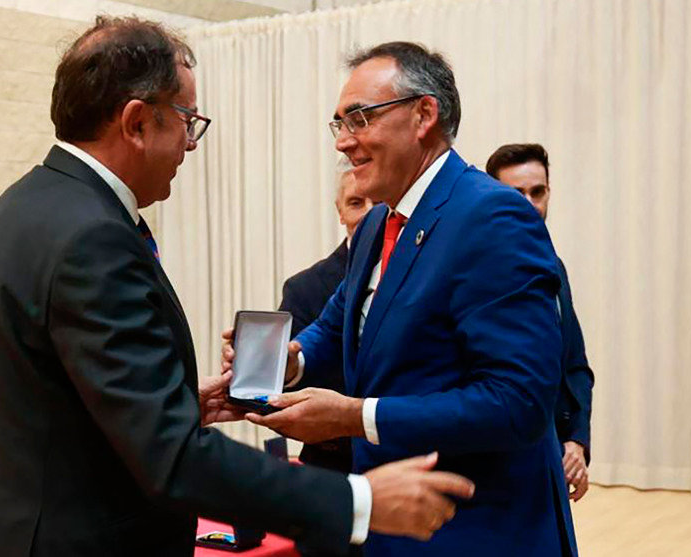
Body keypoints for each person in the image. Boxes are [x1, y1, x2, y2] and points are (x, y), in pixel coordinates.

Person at [0, 18, 474, 557]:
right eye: (186, 121)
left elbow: (55, 403)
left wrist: (173, 401)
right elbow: (174, 459)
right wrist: (358, 500)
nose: (190, 144)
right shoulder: (93, 239)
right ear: (137, 122)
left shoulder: (25, 206)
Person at [224, 42, 578, 556]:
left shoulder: (493, 218)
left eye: (360, 119)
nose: (344, 142)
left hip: (477, 532)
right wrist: (287, 363)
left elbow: (518, 402)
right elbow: (338, 322)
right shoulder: (377, 222)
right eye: (338, 124)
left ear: (424, 115)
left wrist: (353, 416)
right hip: (395, 529)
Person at [485, 143, 595, 502]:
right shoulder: (472, 273)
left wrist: (576, 441)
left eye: (538, 192)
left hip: (551, 462)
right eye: (515, 194)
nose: (530, 204)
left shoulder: (554, 267)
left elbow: (575, 366)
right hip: (495, 468)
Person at [279, 162, 372, 475]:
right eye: (356, 203)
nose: (369, 213)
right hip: (332, 470)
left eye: (378, 201)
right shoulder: (305, 287)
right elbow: (282, 392)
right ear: (340, 211)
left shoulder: (421, 270)